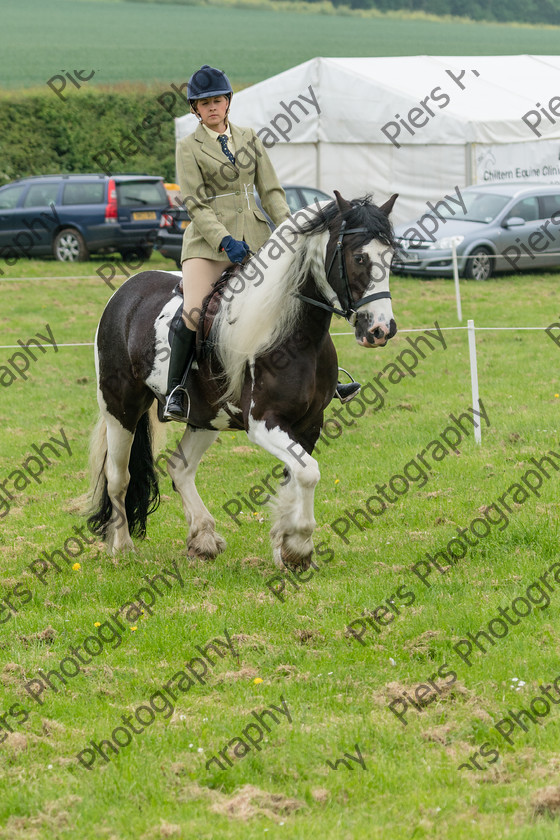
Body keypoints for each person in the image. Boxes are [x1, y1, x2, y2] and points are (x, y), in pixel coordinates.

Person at [164, 64, 360, 421]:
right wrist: (223, 240)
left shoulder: (249, 138)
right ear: (195, 108)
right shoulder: (187, 147)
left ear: (228, 102)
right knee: (194, 311)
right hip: (207, 247)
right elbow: (194, 202)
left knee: (294, 301)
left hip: (255, 238)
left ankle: (328, 377)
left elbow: (270, 192)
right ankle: (175, 389)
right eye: (204, 103)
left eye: (218, 100)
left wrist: (290, 231)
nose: (212, 107)